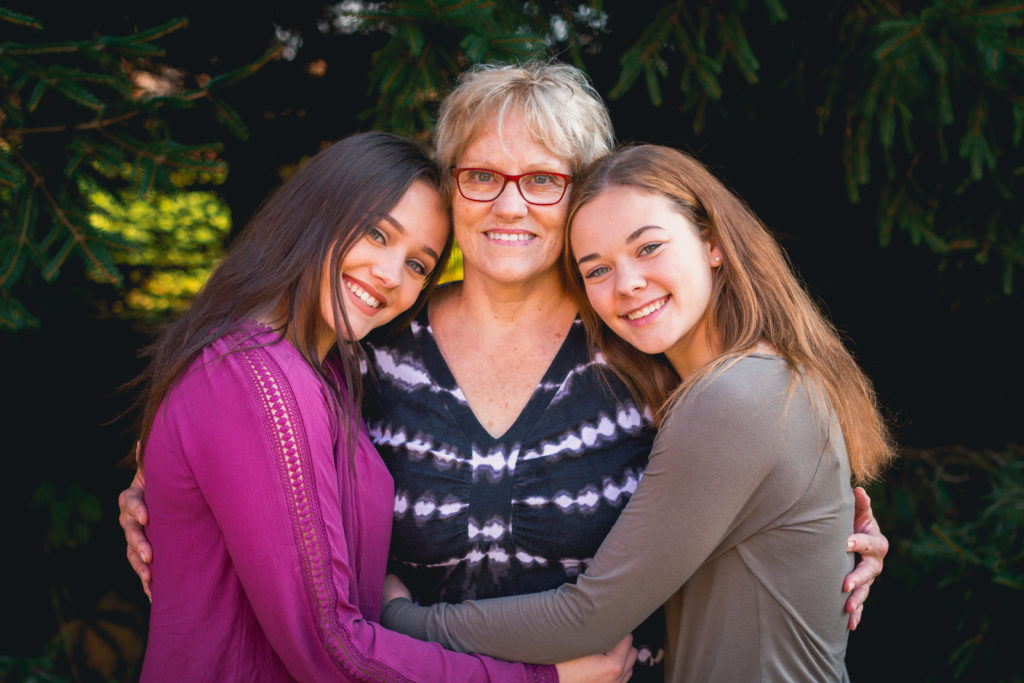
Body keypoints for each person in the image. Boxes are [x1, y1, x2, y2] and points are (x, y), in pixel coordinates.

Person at [119, 62, 889, 679]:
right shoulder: (365, 355)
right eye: (480, 175)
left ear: (583, 192)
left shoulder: (644, 353)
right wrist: (155, 497)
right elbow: (252, 467)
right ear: (452, 188)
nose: (508, 203)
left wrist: (836, 539)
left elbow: (762, 485)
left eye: (544, 179)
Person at [128, 130, 635, 682]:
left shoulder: (330, 373)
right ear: (314, 214)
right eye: (376, 233)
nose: (390, 276)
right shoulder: (255, 378)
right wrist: (545, 680)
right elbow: (330, 648)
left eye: (419, 265)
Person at [379, 143, 897, 681]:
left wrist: (397, 622)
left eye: (648, 248)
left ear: (713, 243)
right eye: (596, 269)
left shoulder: (736, 396)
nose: (626, 284)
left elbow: (587, 619)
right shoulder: (748, 381)